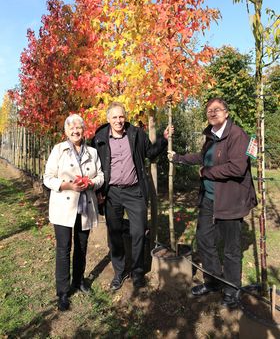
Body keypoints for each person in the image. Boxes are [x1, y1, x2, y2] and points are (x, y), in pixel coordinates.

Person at [168, 98, 257, 308]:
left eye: (217, 109)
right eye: (209, 110)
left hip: (230, 200)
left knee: (231, 249)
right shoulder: (211, 135)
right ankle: (213, 281)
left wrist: (206, 172)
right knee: (204, 240)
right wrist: (179, 158)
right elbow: (203, 157)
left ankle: (232, 291)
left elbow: (237, 168)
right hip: (209, 199)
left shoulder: (238, 135)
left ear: (226, 113)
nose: (213, 113)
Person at [92, 101, 172, 290]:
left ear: (125, 117)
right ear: (108, 119)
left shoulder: (136, 134)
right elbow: (94, 167)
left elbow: (150, 153)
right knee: (115, 234)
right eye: (115, 117)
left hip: (134, 191)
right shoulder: (99, 138)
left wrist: (164, 139)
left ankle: (137, 273)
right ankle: (119, 272)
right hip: (111, 193)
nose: (119, 120)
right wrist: (98, 192)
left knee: (138, 232)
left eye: (121, 116)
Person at [44, 114, 104, 311]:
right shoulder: (58, 150)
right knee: (63, 248)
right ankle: (62, 291)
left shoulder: (92, 152)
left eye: (78, 128)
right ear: (66, 132)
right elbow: (48, 178)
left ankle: (78, 281)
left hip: (85, 206)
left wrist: (91, 183)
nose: (75, 131)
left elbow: (100, 175)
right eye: (71, 129)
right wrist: (67, 185)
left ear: (83, 130)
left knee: (81, 246)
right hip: (64, 206)